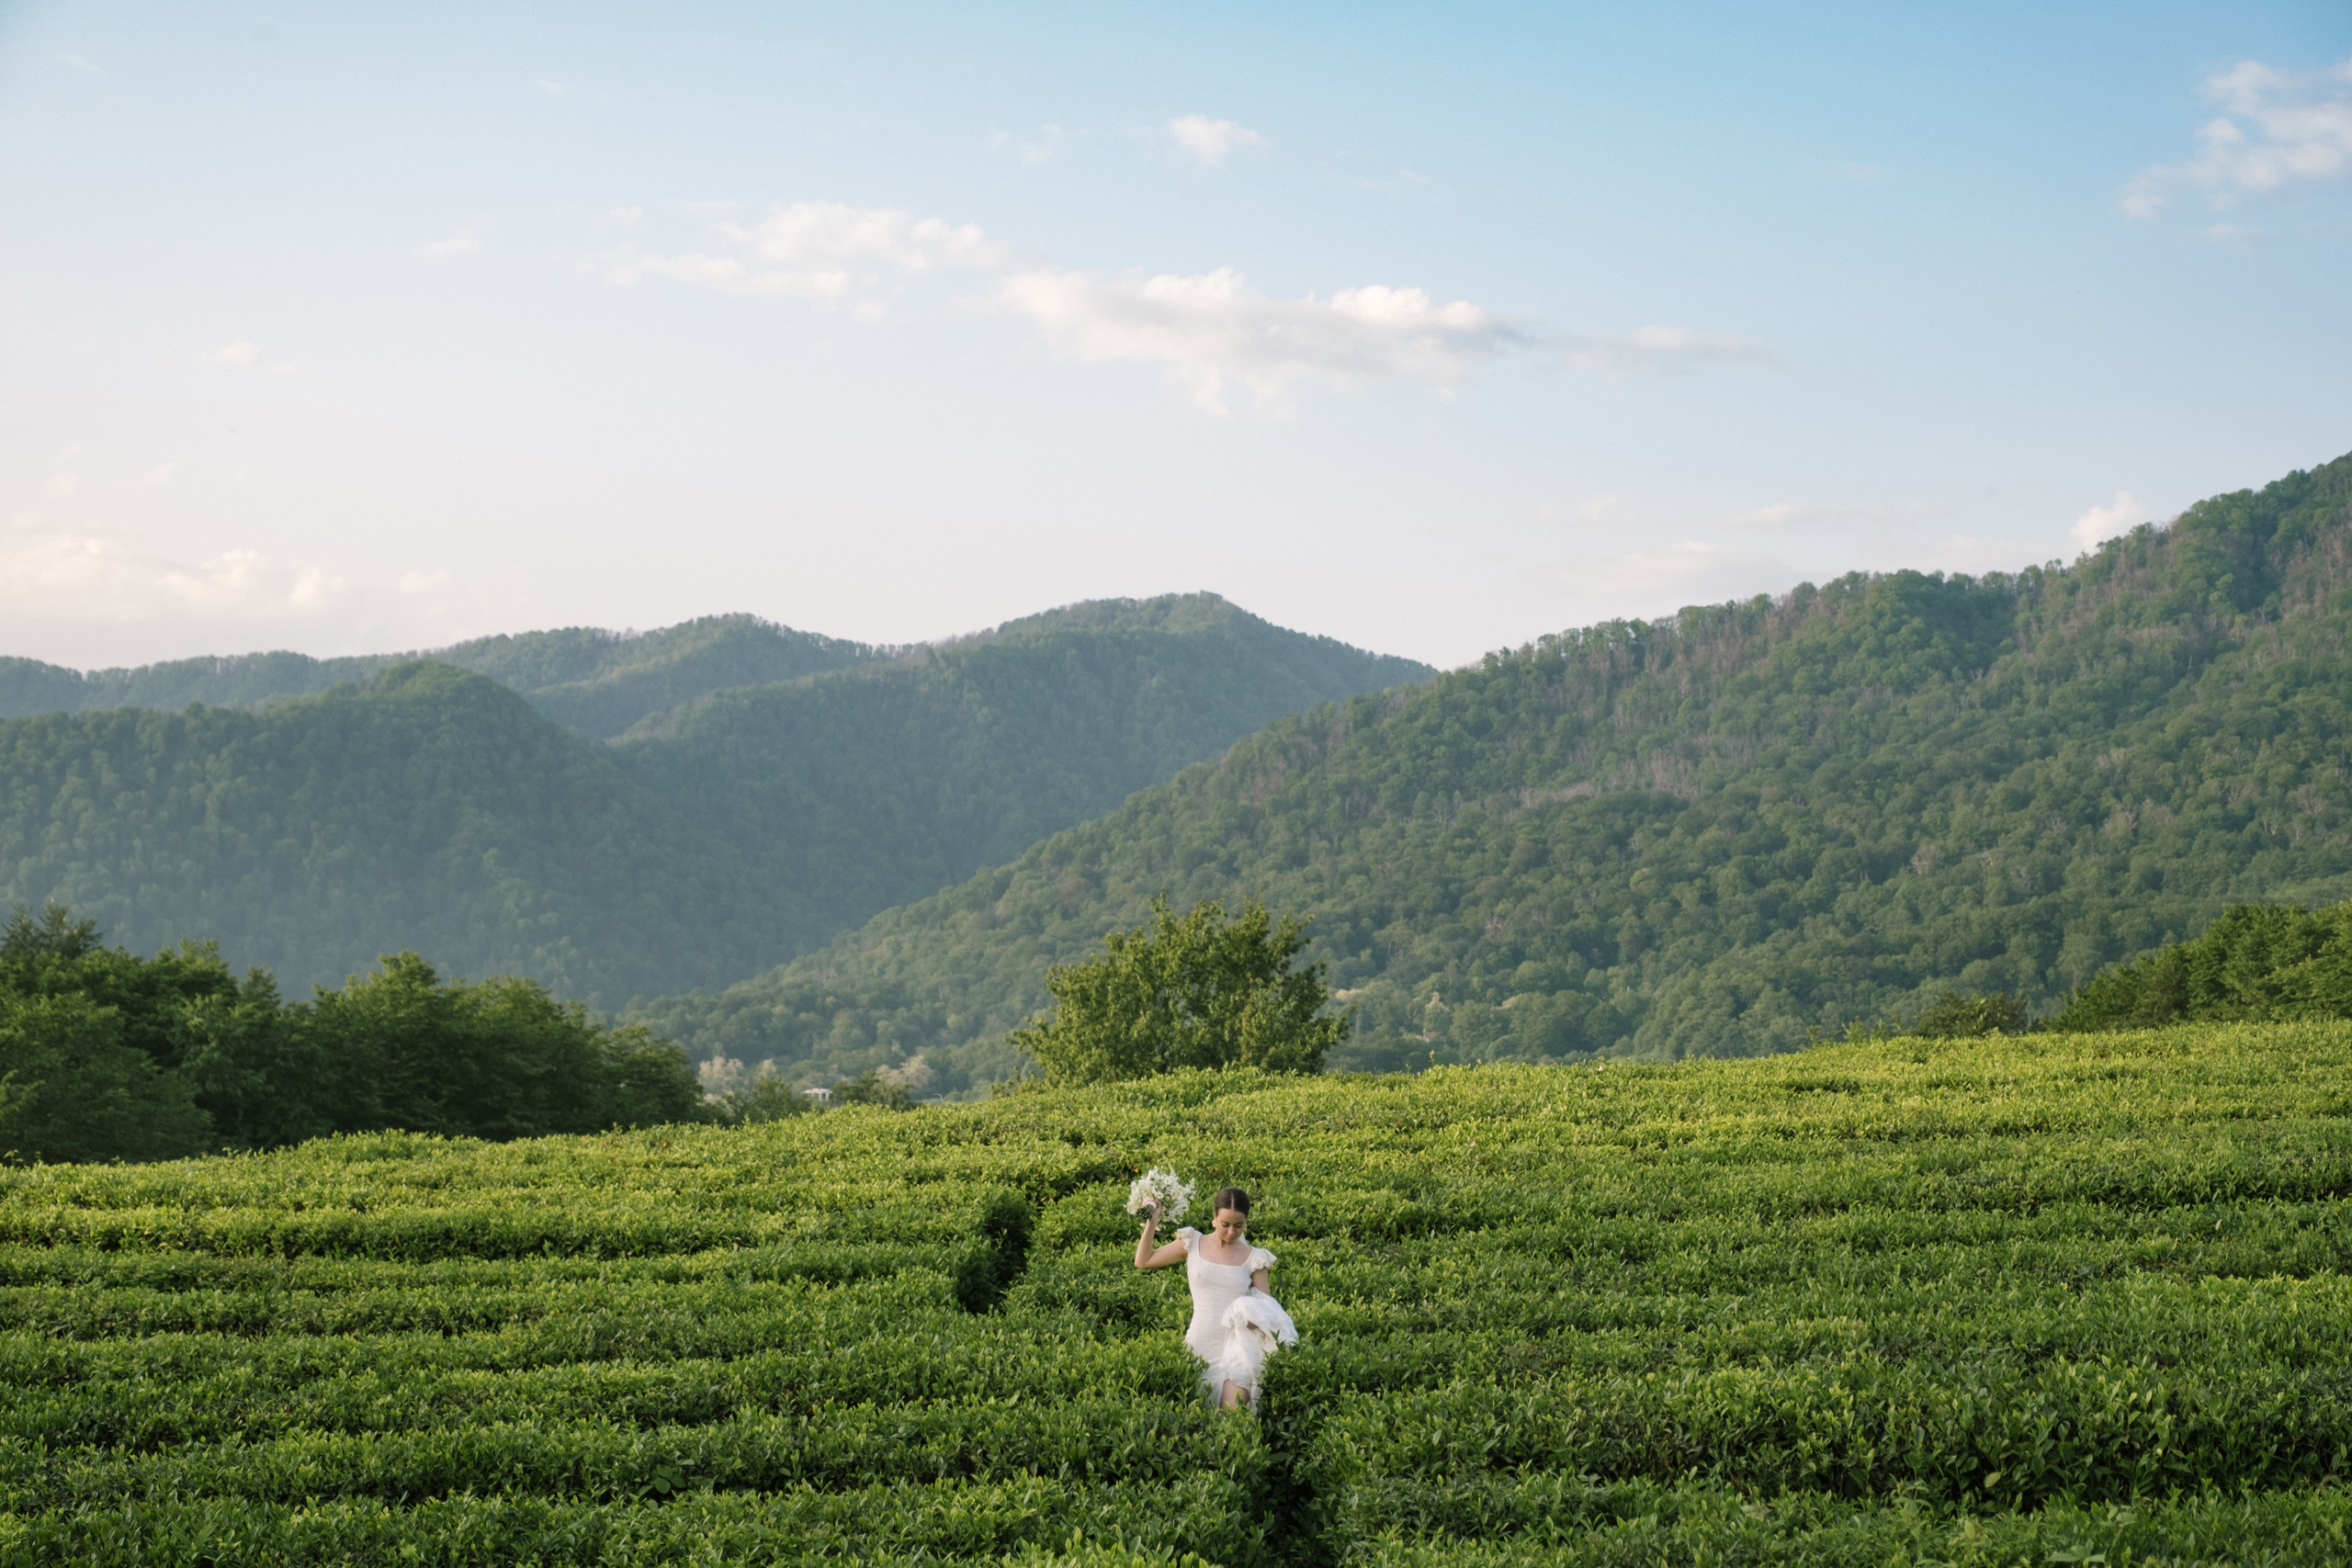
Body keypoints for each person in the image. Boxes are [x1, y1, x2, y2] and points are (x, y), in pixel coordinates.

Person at [1134, 1184, 1297, 1407]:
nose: (1231, 1232)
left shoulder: (1255, 1259)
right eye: (1225, 1225)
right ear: (1214, 1218)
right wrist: (1152, 1220)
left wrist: (1242, 1319)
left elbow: (1266, 1313)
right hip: (1199, 1343)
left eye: (1238, 1225)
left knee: (1232, 1416)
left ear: (1246, 1222)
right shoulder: (1192, 1242)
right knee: (1197, 1418)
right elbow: (1143, 1261)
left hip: (1237, 1349)